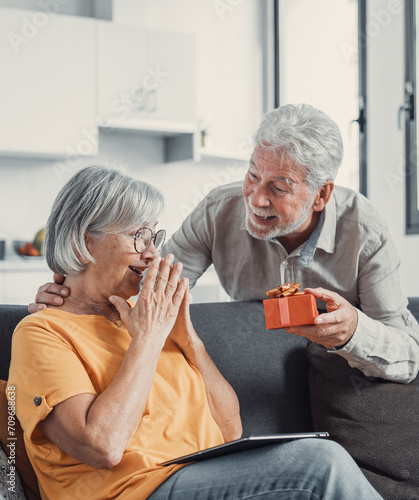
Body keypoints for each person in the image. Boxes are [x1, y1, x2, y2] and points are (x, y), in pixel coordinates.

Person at [8, 166, 383, 500]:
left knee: (317, 458)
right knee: (319, 463)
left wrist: (188, 340)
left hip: (196, 476)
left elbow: (230, 429)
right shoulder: (43, 332)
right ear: (85, 240)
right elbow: (102, 446)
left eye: (155, 238)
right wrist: (149, 339)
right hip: (131, 490)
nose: (153, 254)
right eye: (139, 236)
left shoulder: (149, 316)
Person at [32, 104, 419, 384]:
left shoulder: (366, 231)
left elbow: (409, 355)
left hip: (344, 380)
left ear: (321, 195)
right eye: (253, 174)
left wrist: (353, 331)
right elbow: (150, 286)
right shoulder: (219, 210)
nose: (255, 198)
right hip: (257, 373)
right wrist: (72, 302)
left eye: (278, 188)